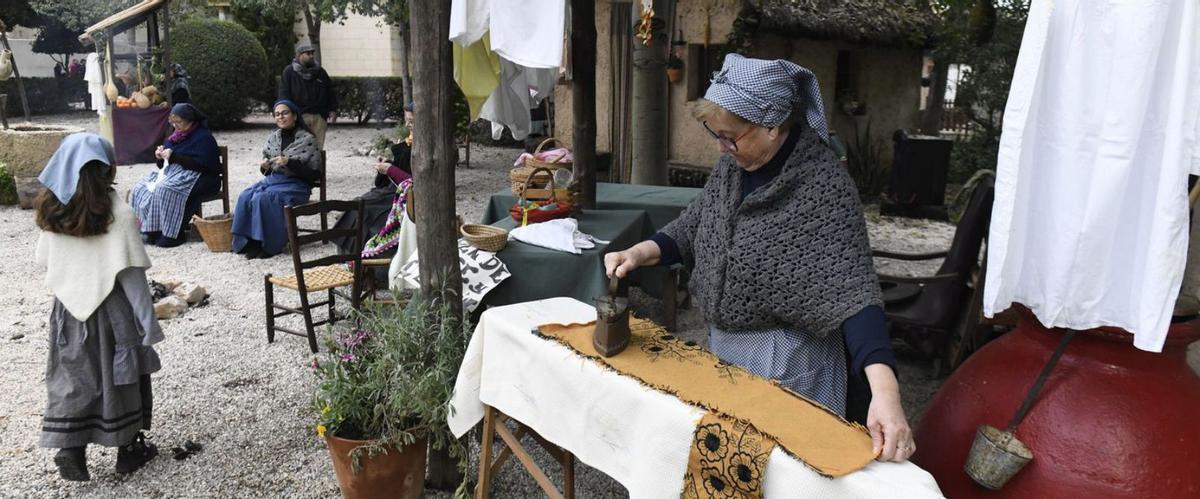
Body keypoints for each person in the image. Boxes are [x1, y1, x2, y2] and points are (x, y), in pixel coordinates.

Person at [603, 54, 916, 462]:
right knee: (728, 467)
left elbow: (855, 296)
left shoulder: (824, 188)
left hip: (790, 365)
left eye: (730, 136)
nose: (721, 145)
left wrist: (886, 396)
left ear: (772, 125)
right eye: (715, 134)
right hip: (726, 352)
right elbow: (695, 226)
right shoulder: (733, 168)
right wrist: (639, 252)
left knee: (782, 472)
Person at [34, 133, 163, 481]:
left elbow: (43, 261)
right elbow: (132, 277)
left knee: (73, 378)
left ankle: (71, 448)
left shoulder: (53, 209)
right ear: (107, 168)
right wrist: (149, 324)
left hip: (68, 312)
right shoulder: (118, 212)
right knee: (122, 378)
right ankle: (129, 450)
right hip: (112, 312)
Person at [231, 100, 322, 259]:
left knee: (263, 198)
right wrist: (265, 166)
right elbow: (267, 172)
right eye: (277, 114)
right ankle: (249, 241)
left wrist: (290, 163)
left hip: (297, 186)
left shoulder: (308, 139)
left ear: (294, 115)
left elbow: (314, 175)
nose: (281, 117)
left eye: (285, 113)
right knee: (245, 195)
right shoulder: (273, 138)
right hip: (273, 181)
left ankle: (268, 244)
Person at [129, 103, 221, 247]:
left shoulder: (203, 137)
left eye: (179, 122)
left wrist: (175, 157)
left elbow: (206, 165)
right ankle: (149, 229)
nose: (175, 125)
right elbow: (163, 166)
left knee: (165, 189)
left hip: (203, 177)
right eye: (173, 122)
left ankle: (171, 233)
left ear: (190, 120)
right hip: (175, 173)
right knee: (142, 187)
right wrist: (160, 157)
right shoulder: (175, 137)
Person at [331, 103, 414, 259]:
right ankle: (352, 260)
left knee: (363, 210)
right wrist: (388, 165)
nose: (408, 125)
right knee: (357, 205)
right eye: (407, 120)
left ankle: (364, 262)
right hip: (393, 191)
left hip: (408, 198)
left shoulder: (429, 147)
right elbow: (402, 172)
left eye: (413, 121)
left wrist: (390, 169)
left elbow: (419, 182)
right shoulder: (409, 141)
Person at [278, 43, 337, 149]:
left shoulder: (320, 72)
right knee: (300, 147)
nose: (311, 56)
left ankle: (318, 166)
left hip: (319, 116)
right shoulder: (289, 72)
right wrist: (287, 114)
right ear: (299, 55)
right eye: (308, 53)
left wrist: (333, 110)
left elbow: (330, 91)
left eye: (312, 53)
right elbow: (284, 93)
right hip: (299, 116)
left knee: (318, 147)